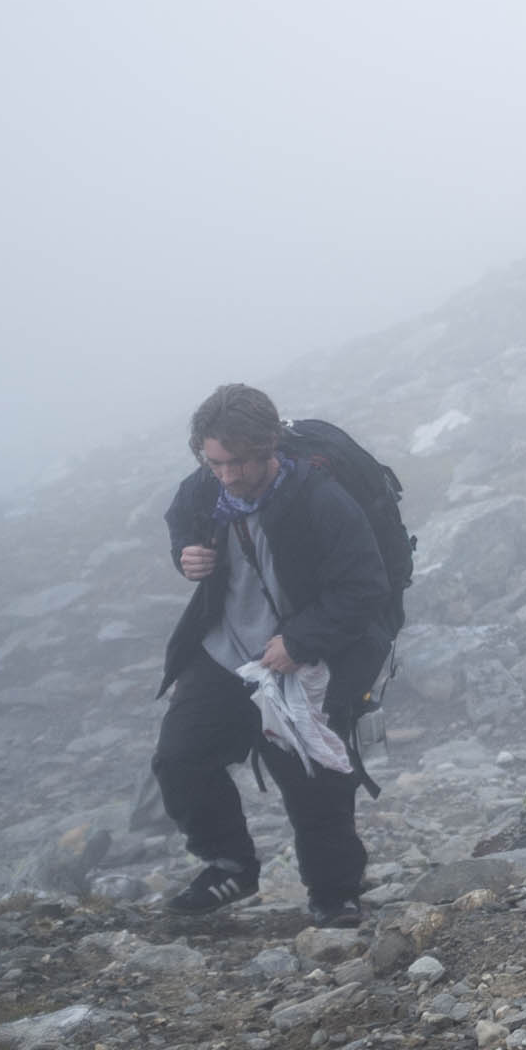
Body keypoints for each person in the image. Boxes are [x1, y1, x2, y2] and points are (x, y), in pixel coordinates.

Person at [152, 382, 392, 924]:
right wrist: (185, 556)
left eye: (237, 463)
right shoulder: (204, 489)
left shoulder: (320, 500)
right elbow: (181, 525)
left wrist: (300, 641)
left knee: (314, 779)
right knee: (180, 759)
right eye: (215, 462)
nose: (227, 475)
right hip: (224, 653)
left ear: (268, 449)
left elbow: (365, 588)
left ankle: (334, 896)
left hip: (304, 657)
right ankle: (229, 865)